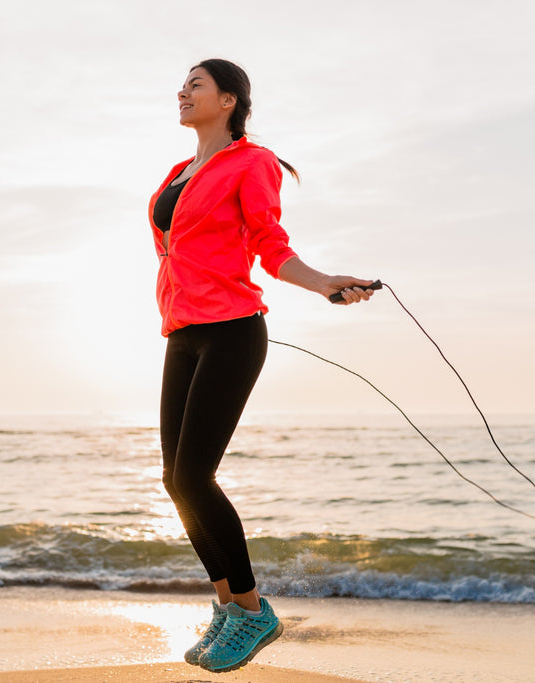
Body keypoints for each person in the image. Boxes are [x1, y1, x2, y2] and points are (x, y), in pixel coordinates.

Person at [148, 58, 375, 673]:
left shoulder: (252, 163)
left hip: (231, 332)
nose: (183, 92)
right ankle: (225, 607)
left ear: (228, 100)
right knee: (175, 480)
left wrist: (325, 282)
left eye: (196, 84)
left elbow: (268, 243)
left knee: (196, 475)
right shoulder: (178, 173)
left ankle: (253, 611)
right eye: (183, 84)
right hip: (183, 333)